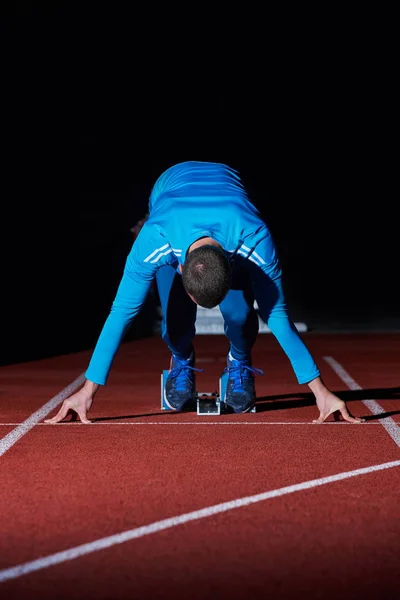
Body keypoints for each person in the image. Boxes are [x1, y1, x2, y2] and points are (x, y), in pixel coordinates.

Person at [45, 161, 364, 425]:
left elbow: (276, 314)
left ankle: (238, 360)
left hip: (230, 211)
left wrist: (320, 391)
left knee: (240, 314)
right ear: (181, 267)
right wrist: (88, 390)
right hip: (169, 193)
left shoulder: (255, 238)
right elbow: (122, 311)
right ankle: (180, 359)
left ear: (231, 264)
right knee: (175, 319)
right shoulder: (154, 239)